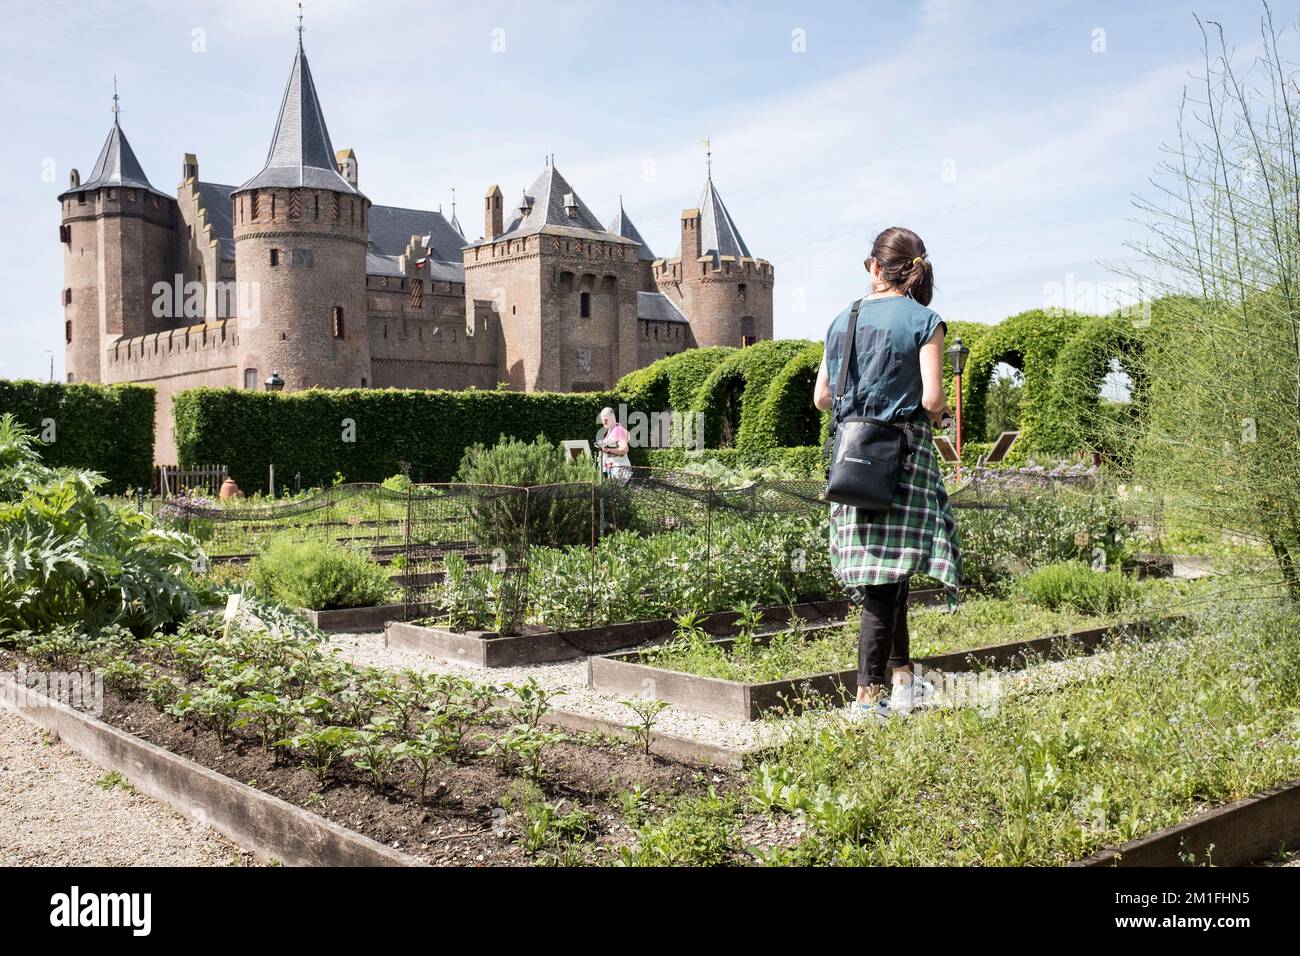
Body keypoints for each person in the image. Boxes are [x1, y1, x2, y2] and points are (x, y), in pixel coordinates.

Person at [813, 226, 962, 723]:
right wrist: (940, 420)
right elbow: (934, 400)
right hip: (904, 456)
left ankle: (902, 682)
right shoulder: (926, 320)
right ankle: (867, 698)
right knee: (885, 578)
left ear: (876, 268)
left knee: (888, 572)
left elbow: (821, 398)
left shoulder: (842, 319)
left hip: (852, 457)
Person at [596, 407, 632, 484]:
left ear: (612, 418)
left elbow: (624, 449)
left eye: (606, 419)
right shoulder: (610, 431)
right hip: (613, 469)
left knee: (616, 494)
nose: (604, 422)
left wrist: (608, 450)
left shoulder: (618, 430)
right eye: (603, 419)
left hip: (620, 469)